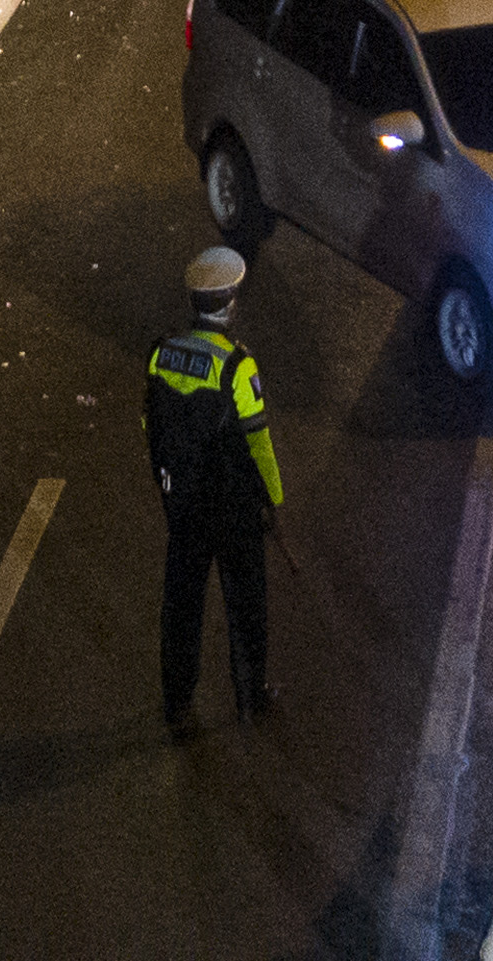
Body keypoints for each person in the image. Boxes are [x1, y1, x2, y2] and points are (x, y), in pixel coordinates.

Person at [146, 246, 282, 733]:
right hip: (234, 508)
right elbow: (259, 440)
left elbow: (151, 424)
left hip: (184, 505)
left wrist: (169, 490)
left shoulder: (162, 355)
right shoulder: (237, 366)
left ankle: (177, 706)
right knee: (245, 601)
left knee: (181, 604)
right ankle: (250, 698)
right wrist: (274, 498)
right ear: (229, 303)